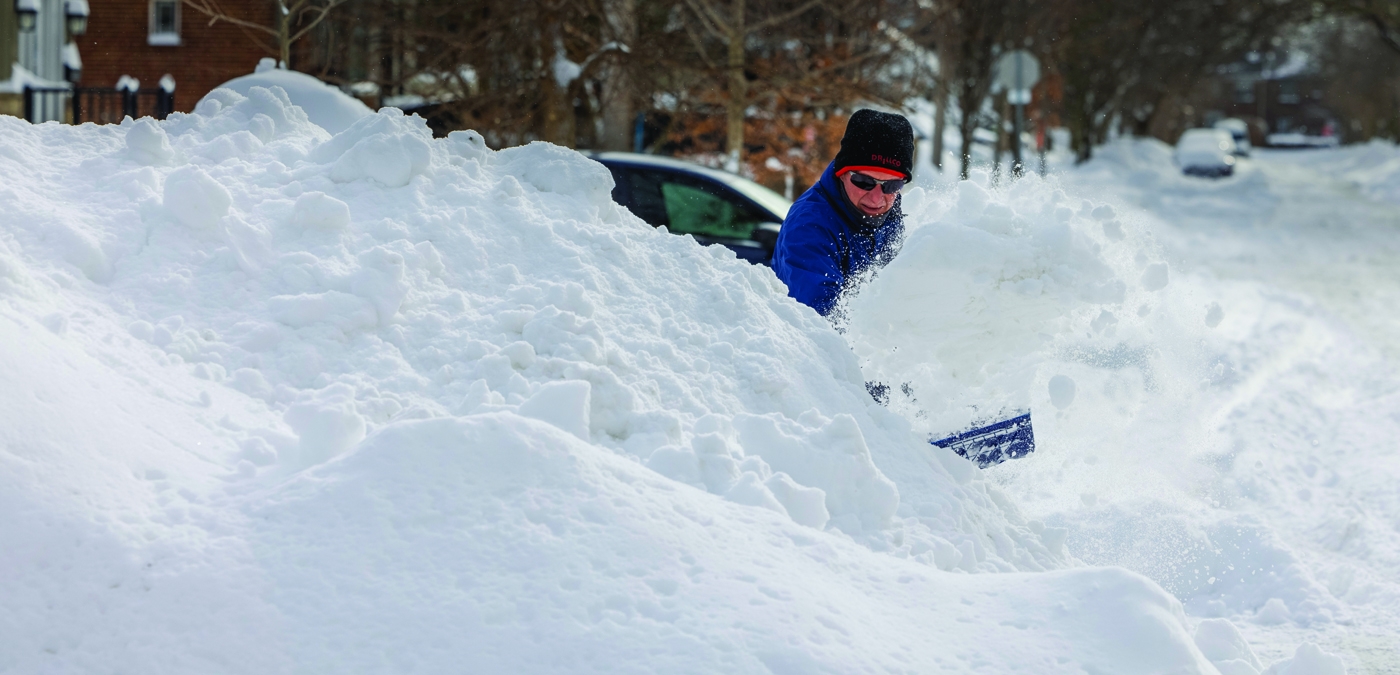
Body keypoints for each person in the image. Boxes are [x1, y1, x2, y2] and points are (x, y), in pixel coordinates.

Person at [772, 109, 914, 318]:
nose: (876, 198)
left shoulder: (888, 209)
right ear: (842, 173)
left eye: (892, 185)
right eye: (864, 182)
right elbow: (824, 320)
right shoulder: (810, 226)